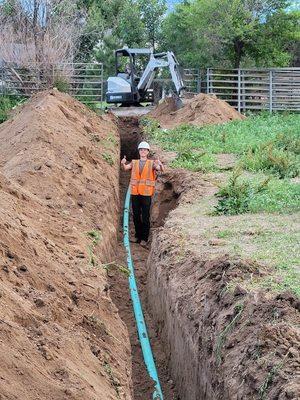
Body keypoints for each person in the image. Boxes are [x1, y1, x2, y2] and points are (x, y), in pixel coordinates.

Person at [121, 141, 164, 247]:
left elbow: (161, 170)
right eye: (141, 150)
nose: (143, 151)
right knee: (136, 215)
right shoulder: (134, 162)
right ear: (139, 151)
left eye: (145, 150)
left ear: (148, 152)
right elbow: (126, 168)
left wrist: (160, 164)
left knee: (145, 216)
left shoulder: (152, 163)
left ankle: (144, 238)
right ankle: (137, 236)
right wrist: (123, 163)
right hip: (135, 193)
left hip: (146, 194)